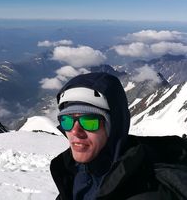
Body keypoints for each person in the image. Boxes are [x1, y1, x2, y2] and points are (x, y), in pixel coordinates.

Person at [50, 72, 187, 200]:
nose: (75, 131)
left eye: (89, 121)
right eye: (66, 121)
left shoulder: (148, 191)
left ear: (113, 128)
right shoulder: (72, 174)